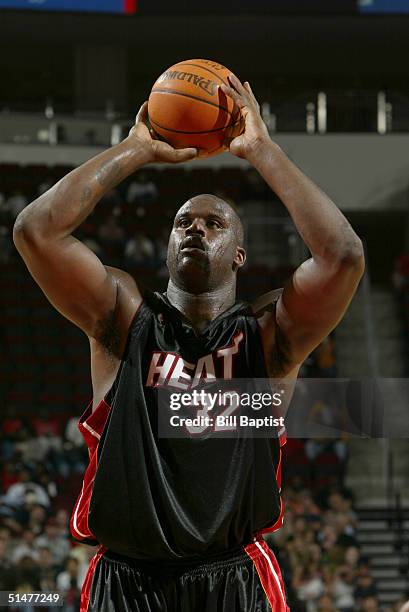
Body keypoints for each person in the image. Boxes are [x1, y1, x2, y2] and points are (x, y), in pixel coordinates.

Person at [13, 74, 364, 611]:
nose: (195, 229)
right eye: (183, 222)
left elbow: (343, 256)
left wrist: (263, 151)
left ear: (240, 255)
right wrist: (135, 149)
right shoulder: (123, 316)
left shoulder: (268, 333)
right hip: (125, 581)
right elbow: (35, 231)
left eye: (214, 222)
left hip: (234, 580)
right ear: (168, 244)